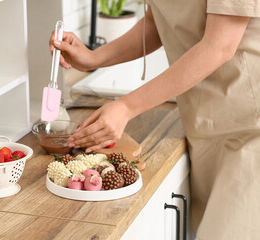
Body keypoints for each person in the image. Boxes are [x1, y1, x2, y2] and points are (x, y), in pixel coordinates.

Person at [49, 0, 260, 239]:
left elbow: (219, 45)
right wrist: (93, 58)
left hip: (250, 130)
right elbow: (156, 22)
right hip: (204, 127)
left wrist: (126, 107)